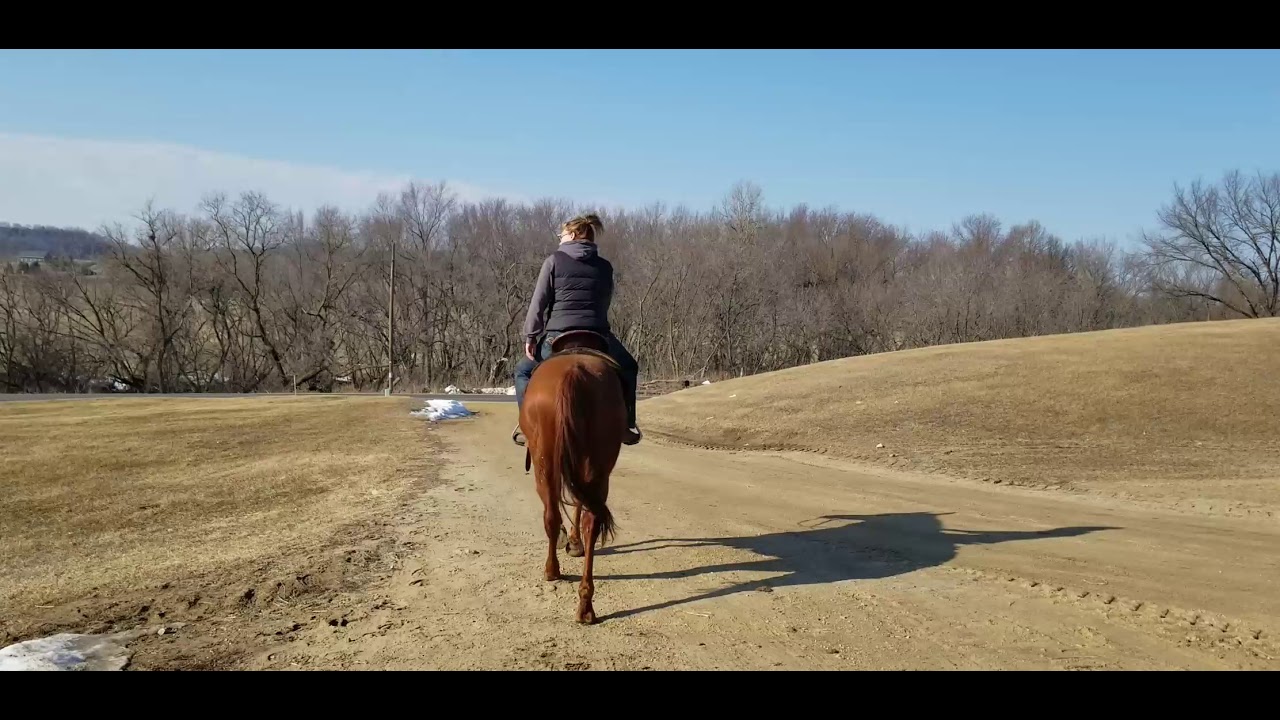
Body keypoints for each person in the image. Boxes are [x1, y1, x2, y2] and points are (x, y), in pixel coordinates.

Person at [512, 213, 641, 447]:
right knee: (629, 367)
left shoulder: (554, 261)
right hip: (597, 335)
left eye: (561, 235)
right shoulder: (605, 267)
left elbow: (538, 303)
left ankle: (527, 428)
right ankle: (626, 425)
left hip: (557, 335)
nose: (559, 239)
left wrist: (531, 336)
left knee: (522, 371)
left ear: (572, 235)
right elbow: (604, 301)